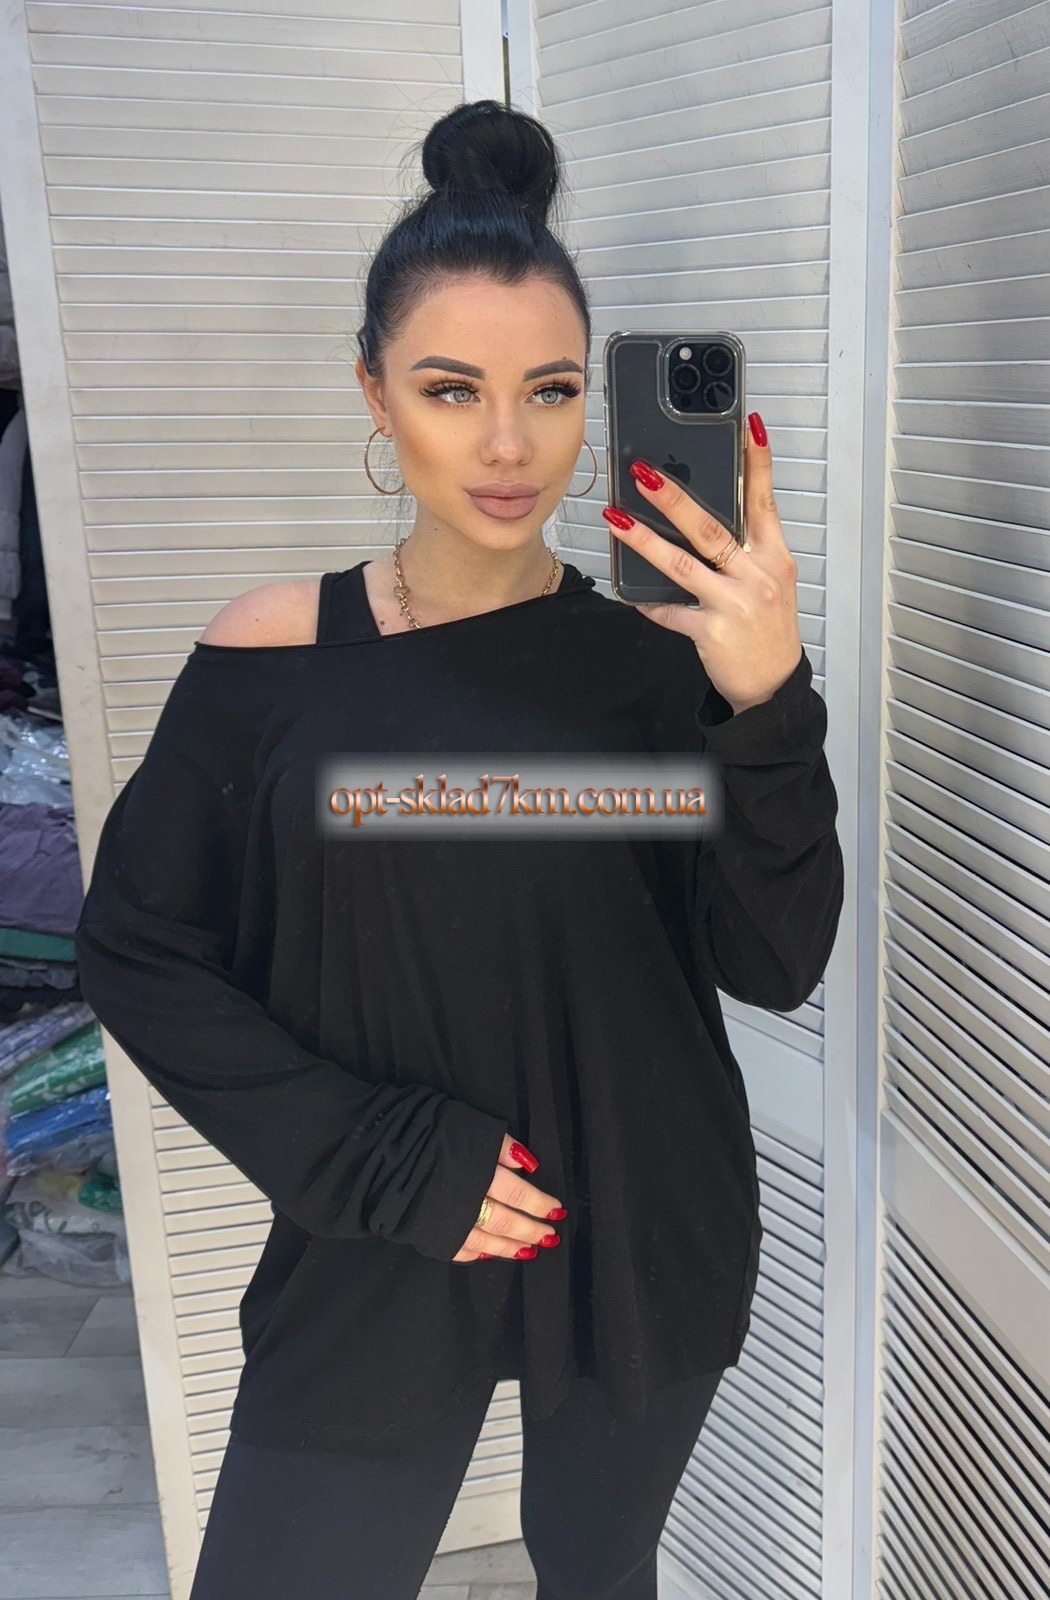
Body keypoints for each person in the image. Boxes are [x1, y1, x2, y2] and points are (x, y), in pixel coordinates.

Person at [74, 99, 844, 1600]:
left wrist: (766, 703)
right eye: (450, 389)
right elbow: (138, 948)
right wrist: (369, 1154)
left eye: (551, 391)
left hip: (639, 1223)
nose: (507, 445)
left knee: (597, 1575)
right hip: (377, 1228)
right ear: (374, 392)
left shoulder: (662, 663)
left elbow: (773, 959)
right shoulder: (274, 658)